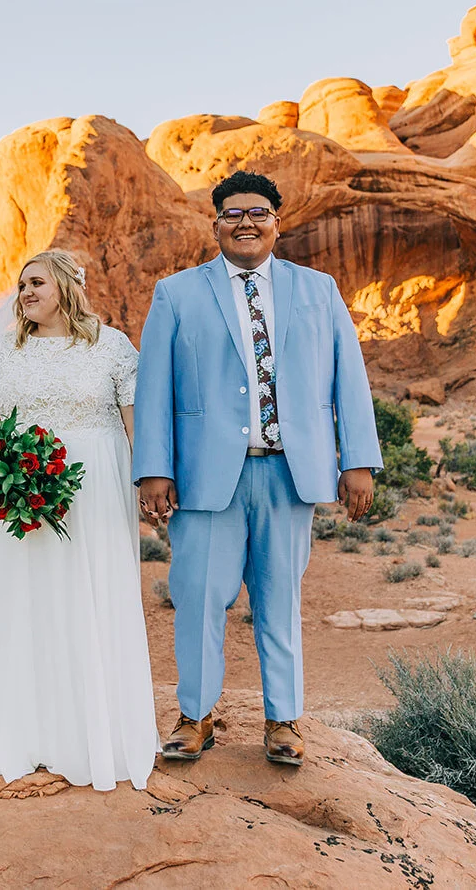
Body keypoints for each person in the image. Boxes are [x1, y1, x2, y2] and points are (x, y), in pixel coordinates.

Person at [133, 171, 381, 767]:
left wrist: (360, 461)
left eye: (258, 212)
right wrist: (153, 469)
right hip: (203, 476)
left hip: (288, 475)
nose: (246, 222)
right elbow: (154, 389)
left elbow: (350, 378)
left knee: (280, 601)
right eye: (233, 213)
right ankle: (195, 717)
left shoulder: (319, 290)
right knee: (198, 598)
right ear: (215, 224)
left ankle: (284, 721)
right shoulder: (177, 294)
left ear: (277, 222)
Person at [0, 249, 158, 792]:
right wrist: (2, 474)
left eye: (37, 283)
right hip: (21, 494)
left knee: (91, 598)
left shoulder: (111, 346)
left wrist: (148, 485)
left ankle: (93, 736)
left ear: (68, 286)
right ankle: (18, 733)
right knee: (21, 599)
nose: (24, 293)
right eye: (21, 284)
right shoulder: (6, 349)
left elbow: (136, 424)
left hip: (97, 490)